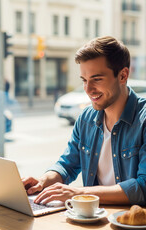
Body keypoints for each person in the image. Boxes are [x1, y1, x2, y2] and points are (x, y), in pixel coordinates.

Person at [22, 36, 146, 206]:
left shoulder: (143, 120)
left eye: (97, 79)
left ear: (123, 75)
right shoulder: (86, 118)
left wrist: (79, 193)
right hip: (91, 220)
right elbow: (67, 165)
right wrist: (42, 182)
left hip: (131, 226)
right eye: (84, 80)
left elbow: (143, 187)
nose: (88, 89)